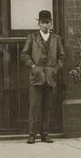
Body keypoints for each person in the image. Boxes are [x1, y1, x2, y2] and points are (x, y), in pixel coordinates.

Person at [23, 8, 65, 143]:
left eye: (48, 22)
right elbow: (24, 54)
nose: (45, 25)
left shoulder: (56, 39)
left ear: (51, 23)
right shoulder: (32, 38)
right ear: (38, 24)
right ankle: (32, 134)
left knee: (47, 106)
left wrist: (55, 69)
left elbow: (62, 57)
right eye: (43, 22)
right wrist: (33, 66)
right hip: (36, 77)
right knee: (34, 106)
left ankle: (45, 134)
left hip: (50, 77)